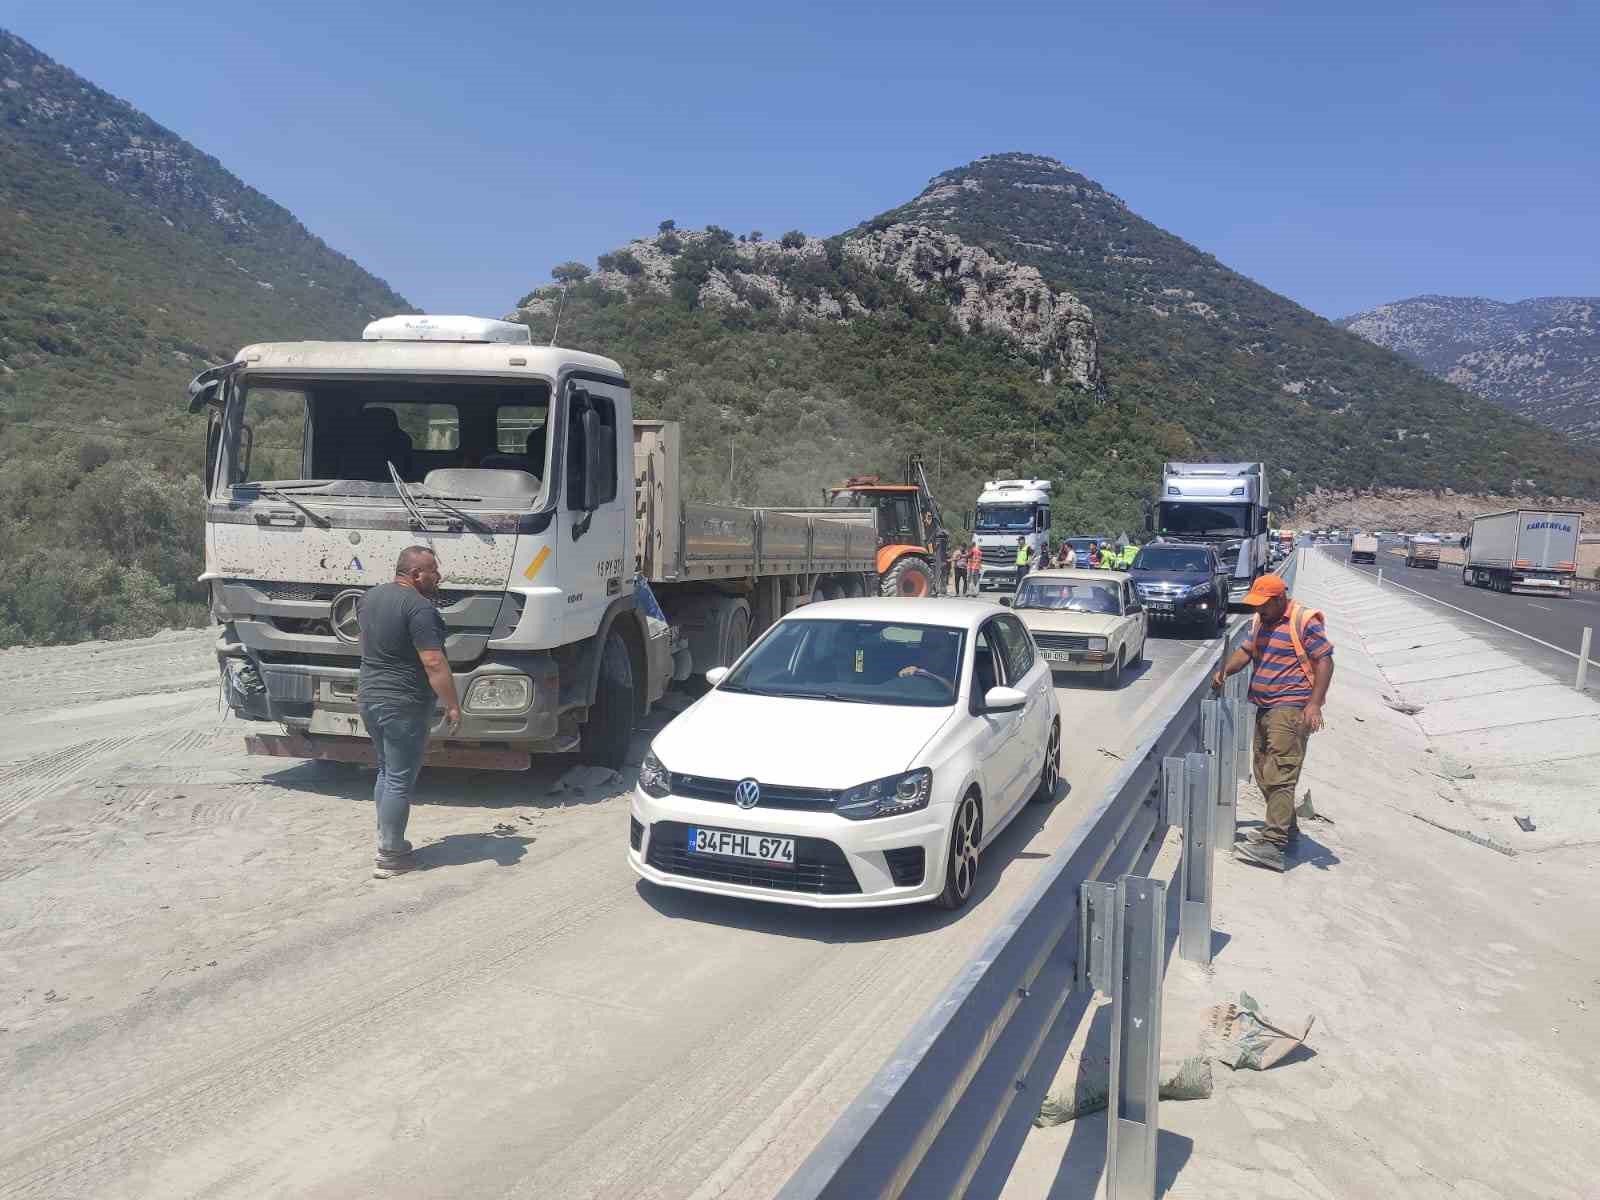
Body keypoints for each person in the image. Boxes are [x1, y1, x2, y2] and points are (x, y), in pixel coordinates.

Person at [1212, 575, 1334, 872]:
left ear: (1279, 600)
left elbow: (1326, 661)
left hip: (1291, 708)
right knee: (1263, 771)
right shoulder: (1260, 622)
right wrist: (1225, 671)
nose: (1259, 611)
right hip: (1264, 706)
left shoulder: (1304, 621)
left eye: (1264, 606)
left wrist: (1315, 704)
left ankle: (1273, 846)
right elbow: (1246, 652)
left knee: (1280, 773)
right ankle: (1285, 831)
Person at [358, 546, 463, 879]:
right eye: (433, 570)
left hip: (370, 696)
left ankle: (387, 840)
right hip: (402, 702)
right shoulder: (420, 609)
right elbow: (433, 660)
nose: (438, 576)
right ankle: (391, 854)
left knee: (387, 771)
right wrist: (452, 704)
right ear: (417, 574)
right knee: (400, 778)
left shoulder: (369, 598)